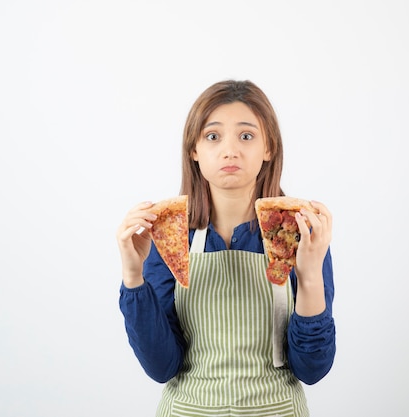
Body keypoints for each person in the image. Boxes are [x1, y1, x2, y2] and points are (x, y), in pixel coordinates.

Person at [116, 79, 335, 416]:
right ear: (194, 150)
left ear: (269, 148)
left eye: (246, 136)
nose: (230, 150)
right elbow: (162, 367)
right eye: (213, 136)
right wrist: (133, 277)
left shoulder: (299, 234)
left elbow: (312, 369)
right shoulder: (170, 237)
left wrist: (309, 278)